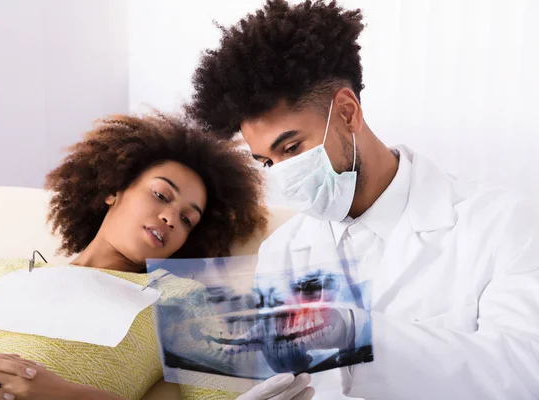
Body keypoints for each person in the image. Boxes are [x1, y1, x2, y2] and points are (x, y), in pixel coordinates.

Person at [185, 0, 539, 399]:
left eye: (292, 148)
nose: (283, 173)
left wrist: (359, 332)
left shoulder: (502, 222)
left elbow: (525, 369)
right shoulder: (282, 252)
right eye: (268, 161)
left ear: (348, 113)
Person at [0, 113, 313, 400]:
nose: (170, 218)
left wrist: (64, 394)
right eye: (161, 196)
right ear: (113, 191)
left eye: (187, 219)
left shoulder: (181, 299)